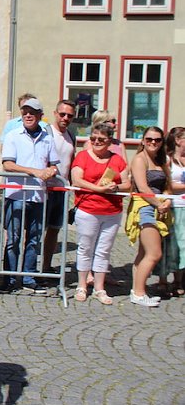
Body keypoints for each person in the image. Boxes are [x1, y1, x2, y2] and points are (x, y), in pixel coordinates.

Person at [1, 98, 59, 293]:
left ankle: (28, 276)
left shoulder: (48, 138)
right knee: (13, 239)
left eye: (32, 112)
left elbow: (53, 165)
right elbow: (8, 164)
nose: (27, 115)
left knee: (34, 239)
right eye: (24, 112)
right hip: (17, 195)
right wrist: (34, 172)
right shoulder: (13, 136)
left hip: (38, 196)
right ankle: (9, 278)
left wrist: (51, 171)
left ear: (40, 116)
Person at [70, 123, 130, 305]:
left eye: (101, 139)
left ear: (109, 141)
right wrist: (98, 189)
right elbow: (76, 179)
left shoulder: (117, 160)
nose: (96, 142)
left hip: (112, 211)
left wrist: (116, 187)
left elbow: (128, 183)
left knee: (103, 250)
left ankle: (99, 287)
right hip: (88, 209)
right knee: (85, 247)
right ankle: (81, 285)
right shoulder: (82, 156)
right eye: (93, 138)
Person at [125, 126, 171, 307]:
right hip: (144, 208)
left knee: (144, 252)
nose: (153, 143)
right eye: (150, 139)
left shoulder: (161, 161)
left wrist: (166, 201)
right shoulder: (139, 159)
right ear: (143, 140)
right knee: (154, 253)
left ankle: (138, 289)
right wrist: (159, 204)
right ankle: (138, 293)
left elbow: (167, 186)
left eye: (158, 140)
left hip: (158, 207)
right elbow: (143, 188)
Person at [41, 99, 76, 276]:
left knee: (54, 229)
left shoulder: (71, 136)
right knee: (35, 230)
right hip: (44, 189)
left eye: (69, 115)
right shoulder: (46, 132)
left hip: (62, 190)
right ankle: (28, 267)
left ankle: (46, 266)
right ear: (55, 114)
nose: (65, 118)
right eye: (62, 114)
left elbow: (70, 163)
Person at [158, 127, 185, 297]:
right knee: (168, 243)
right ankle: (162, 279)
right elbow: (166, 184)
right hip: (172, 206)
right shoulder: (168, 160)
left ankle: (178, 279)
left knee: (182, 245)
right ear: (178, 140)